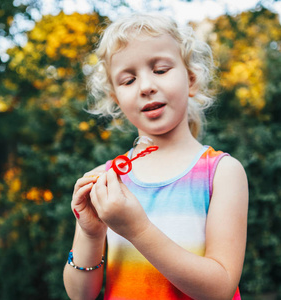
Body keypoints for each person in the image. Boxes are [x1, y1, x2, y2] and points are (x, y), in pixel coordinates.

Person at [63, 13, 248, 300]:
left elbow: (220, 289)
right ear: (116, 98)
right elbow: (80, 295)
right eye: (128, 80)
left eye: (160, 70)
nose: (146, 86)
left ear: (191, 80)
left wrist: (137, 229)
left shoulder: (222, 172)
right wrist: (90, 233)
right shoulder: (106, 180)